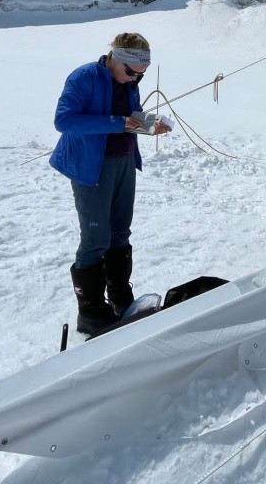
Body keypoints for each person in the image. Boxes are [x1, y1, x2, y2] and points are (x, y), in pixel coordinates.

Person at [49, 32, 172, 335]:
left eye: (141, 74)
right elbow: (64, 121)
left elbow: (128, 118)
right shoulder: (84, 77)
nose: (134, 79)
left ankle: (119, 296)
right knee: (96, 238)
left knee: (120, 231)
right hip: (91, 166)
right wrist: (117, 123)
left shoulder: (129, 80)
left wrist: (148, 125)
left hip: (124, 161)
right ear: (116, 58)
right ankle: (90, 311)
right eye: (131, 72)